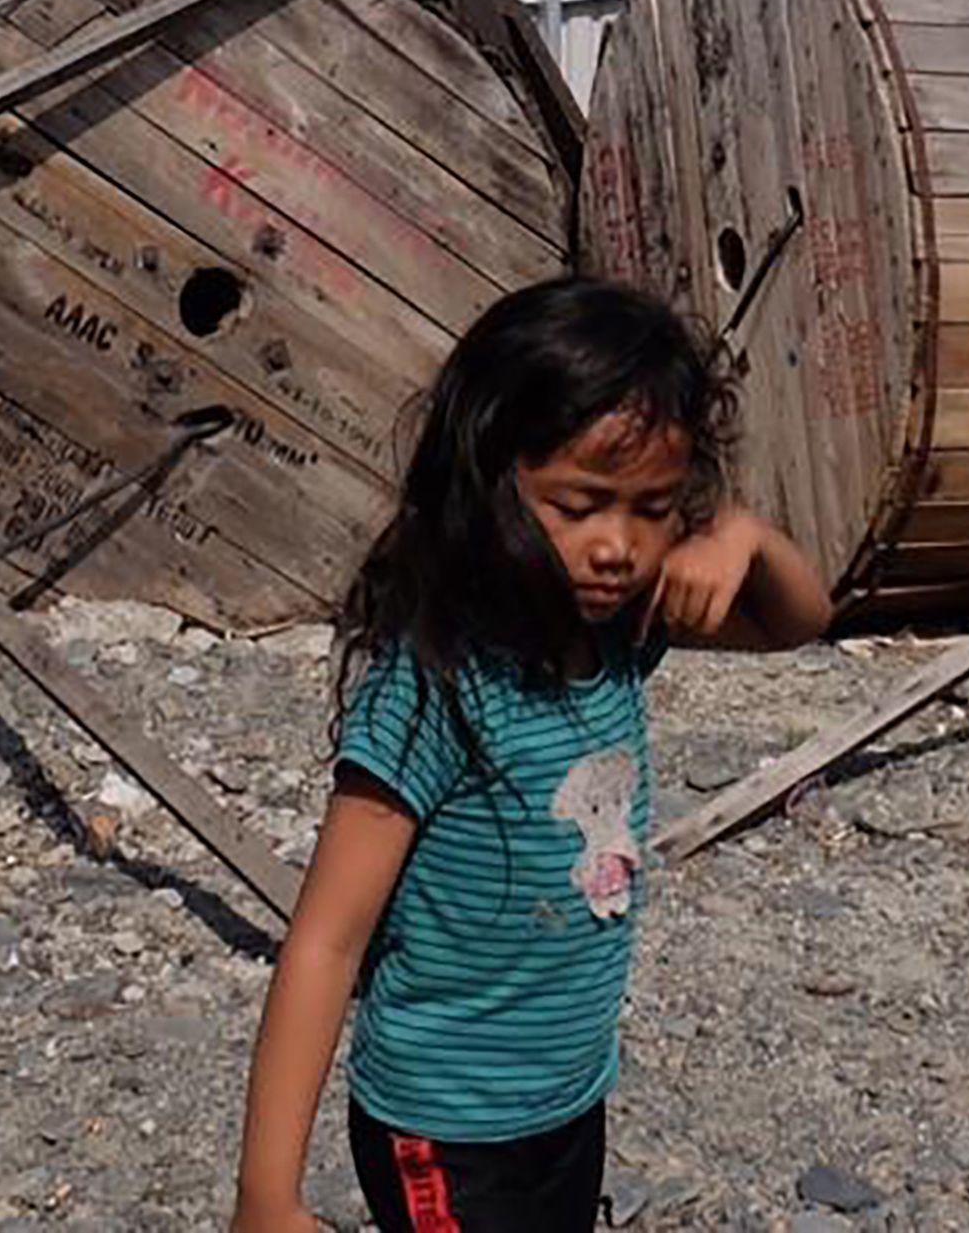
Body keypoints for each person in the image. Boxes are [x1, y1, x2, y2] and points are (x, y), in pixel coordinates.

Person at [230, 278, 834, 1232]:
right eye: (582, 504)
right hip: (443, 1126)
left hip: (567, 1096)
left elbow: (801, 620)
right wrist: (266, 1193)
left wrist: (744, 534)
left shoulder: (623, 633)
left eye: (655, 508)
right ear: (489, 480)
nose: (619, 547)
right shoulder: (435, 681)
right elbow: (325, 940)